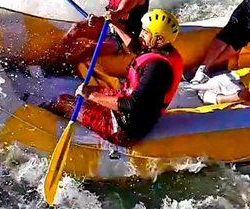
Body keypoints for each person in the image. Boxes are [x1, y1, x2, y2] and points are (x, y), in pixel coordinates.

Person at [41, 9, 184, 146]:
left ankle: (41, 122)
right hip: (128, 110)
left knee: (63, 102)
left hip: (124, 128)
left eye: (145, 32)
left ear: (158, 39)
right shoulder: (162, 50)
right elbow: (136, 48)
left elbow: (132, 106)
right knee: (89, 91)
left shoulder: (157, 68)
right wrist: (113, 22)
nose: (141, 34)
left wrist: (91, 96)